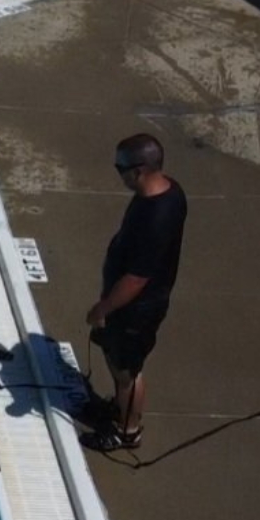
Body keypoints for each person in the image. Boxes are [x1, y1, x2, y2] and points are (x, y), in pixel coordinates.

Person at [82, 134, 187, 453]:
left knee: (126, 371)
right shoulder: (168, 191)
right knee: (118, 363)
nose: (118, 173)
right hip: (130, 305)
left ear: (139, 170)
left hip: (136, 309)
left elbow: (137, 278)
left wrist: (103, 308)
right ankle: (119, 407)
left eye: (120, 167)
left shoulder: (156, 216)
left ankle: (127, 430)